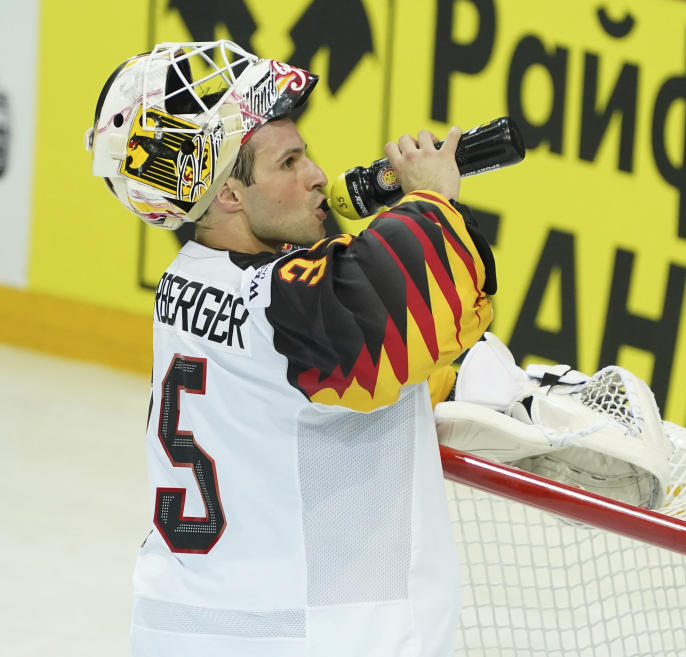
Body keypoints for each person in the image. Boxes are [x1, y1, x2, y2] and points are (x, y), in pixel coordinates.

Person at [84, 41, 495, 657]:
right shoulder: (282, 304)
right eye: (289, 162)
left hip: (179, 626)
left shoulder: (186, 281)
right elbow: (405, 304)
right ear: (228, 194)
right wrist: (432, 197)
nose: (318, 176)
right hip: (300, 635)